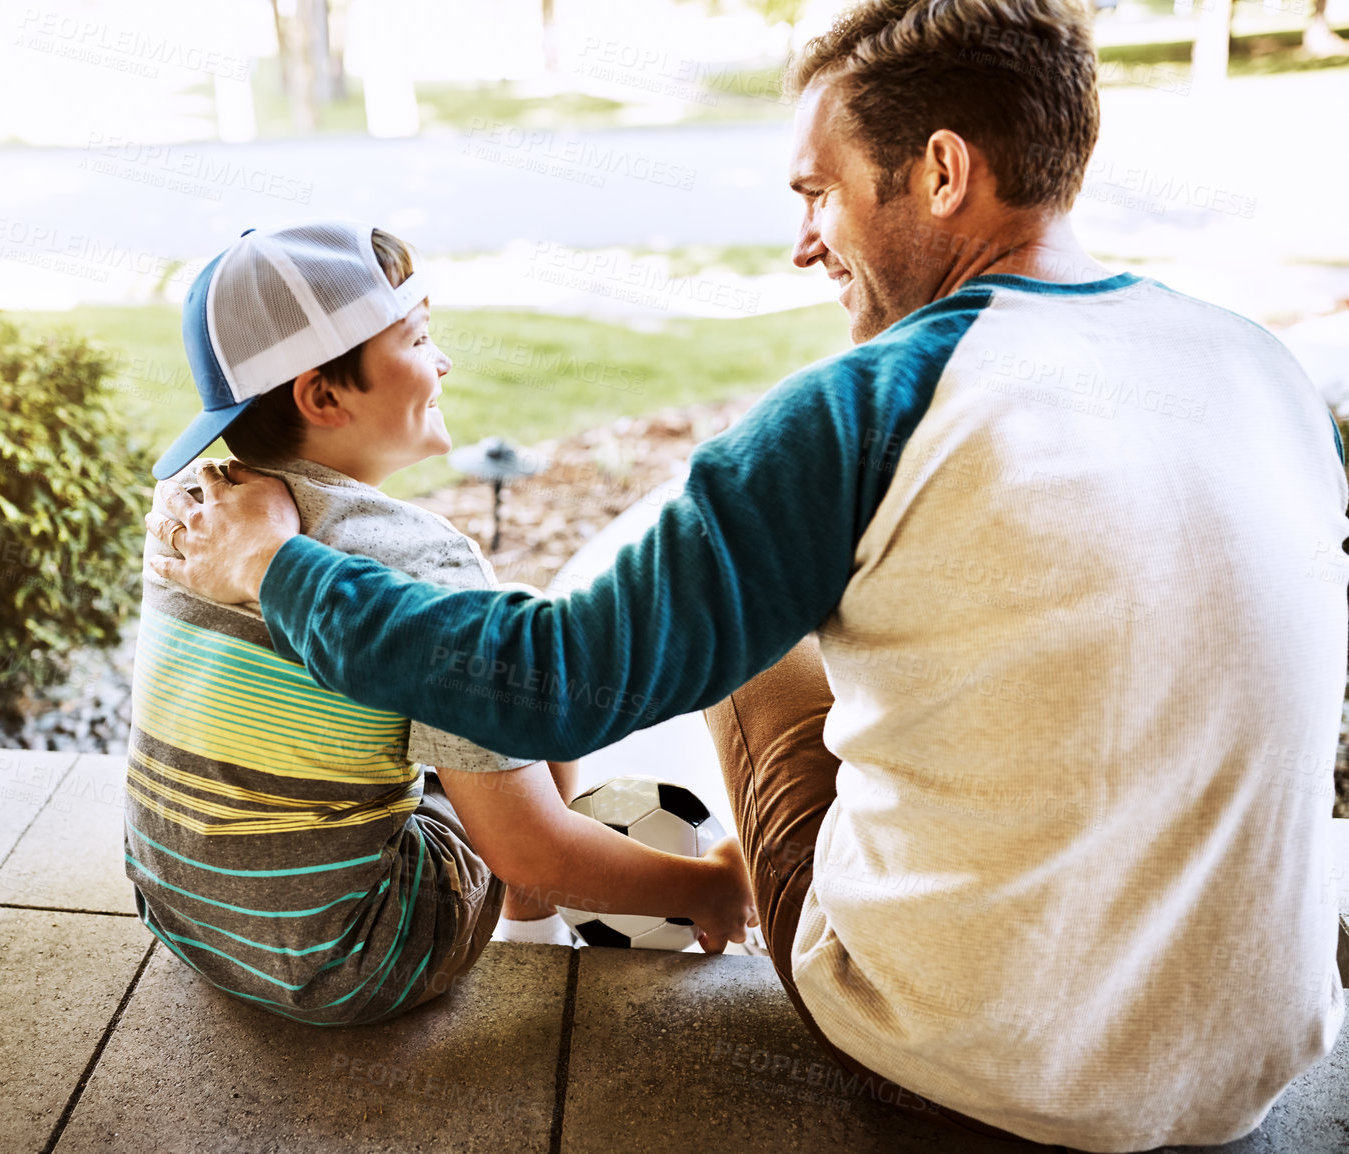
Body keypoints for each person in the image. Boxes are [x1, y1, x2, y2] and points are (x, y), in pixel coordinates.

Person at [144, 1, 1349, 1148]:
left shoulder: (869, 405)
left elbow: (541, 686)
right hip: (1256, 1057)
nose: (802, 240)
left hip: (953, 1063)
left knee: (755, 638)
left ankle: (717, 895)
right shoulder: (1267, 368)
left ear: (940, 170)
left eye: (817, 191)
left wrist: (277, 566)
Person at [130, 221, 756, 1027]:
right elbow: (528, 848)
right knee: (529, 641)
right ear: (323, 395)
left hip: (184, 915)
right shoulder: (423, 565)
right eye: (420, 337)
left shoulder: (194, 511)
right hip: (355, 959)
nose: (445, 360)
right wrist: (709, 888)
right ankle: (529, 927)